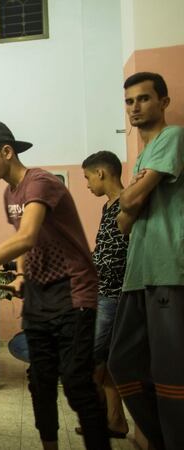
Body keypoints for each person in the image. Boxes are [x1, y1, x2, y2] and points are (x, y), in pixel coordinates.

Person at [0, 121, 110, 449]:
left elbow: (26, 236)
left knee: (76, 382)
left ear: (7, 152)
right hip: (40, 294)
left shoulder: (40, 183)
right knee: (39, 382)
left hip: (73, 290)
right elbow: (25, 239)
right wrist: (23, 275)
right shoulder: (9, 193)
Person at [108, 72, 184, 450]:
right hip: (138, 273)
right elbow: (123, 221)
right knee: (121, 362)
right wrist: (134, 194)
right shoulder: (143, 154)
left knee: (171, 374)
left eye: (144, 99)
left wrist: (133, 194)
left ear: (163, 102)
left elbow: (129, 203)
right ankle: (158, 437)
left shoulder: (173, 137)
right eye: (129, 102)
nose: (135, 107)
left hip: (168, 268)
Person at [80, 151, 129, 439]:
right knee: (106, 361)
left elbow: (121, 255)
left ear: (100, 173)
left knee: (90, 359)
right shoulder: (108, 206)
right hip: (101, 291)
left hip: (114, 293)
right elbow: (103, 250)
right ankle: (115, 422)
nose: (87, 184)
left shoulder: (128, 203)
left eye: (87, 177)